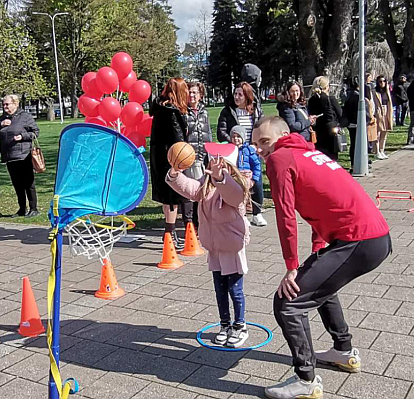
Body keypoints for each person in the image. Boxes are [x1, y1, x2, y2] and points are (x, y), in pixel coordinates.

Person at [251, 116, 391, 399]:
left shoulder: (280, 159)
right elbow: (322, 204)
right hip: (375, 238)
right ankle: (343, 351)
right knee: (322, 285)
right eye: (255, 144)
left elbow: (285, 216)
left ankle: (306, 380)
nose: (259, 149)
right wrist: (317, 251)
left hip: (358, 239)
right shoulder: (309, 153)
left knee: (288, 302)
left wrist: (291, 267)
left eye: (264, 142)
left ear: (282, 135)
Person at [166, 143, 251, 348]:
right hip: (213, 246)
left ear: (229, 165)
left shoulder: (238, 184)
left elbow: (234, 195)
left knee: (235, 290)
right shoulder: (206, 184)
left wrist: (221, 178)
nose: (213, 164)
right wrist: (175, 174)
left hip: (232, 246)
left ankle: (240, 326)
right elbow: (190, 189)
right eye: (211, 160)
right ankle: (225, 325)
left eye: (219, 161)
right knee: (220, 290)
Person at [149, 77, 189, 249]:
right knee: (172, 198)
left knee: (167, 199)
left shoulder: (159, 109)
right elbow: (178, 139)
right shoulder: (171, 112)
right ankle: (170, 234)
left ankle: (168, 232)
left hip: (158, 156)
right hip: (170, 158)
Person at [0, 95, 40, 217]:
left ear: (15, 104)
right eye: (3, 104)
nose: (5, 107)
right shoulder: (2, 119)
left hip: (24, 154)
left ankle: (33, 208)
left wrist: (22, 137)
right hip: (9, 156)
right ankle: (21, 209)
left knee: (28, 183)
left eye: (7, 104)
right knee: (17, 184)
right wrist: (0, 125)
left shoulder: (25, 117)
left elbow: (35, 132)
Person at [182, 81, 211, 230]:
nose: (192, 95)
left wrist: (210, 151)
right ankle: (189, 223)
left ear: (200, 95)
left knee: (201, 189)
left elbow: (208, 133)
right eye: (189, 92)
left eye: (195, 92)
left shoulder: (203, 111)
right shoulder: (183, 111)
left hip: (202, 155)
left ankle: (199, 222)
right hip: (189, 156)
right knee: (189, 191)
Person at [230, 126, 265, 227]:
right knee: (240, 197)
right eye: (234, 136)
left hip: (249, 176)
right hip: (236, 177)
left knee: (258, 189)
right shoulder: (230, 150)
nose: (236, 139)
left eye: (238, 136)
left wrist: (254, 178)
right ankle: (242, 216)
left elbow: (256, 165)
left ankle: (257, 214)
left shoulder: (249, 149)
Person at [307, 76, 343, 161]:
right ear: (327, 87)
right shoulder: (330, 99)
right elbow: (340, 113)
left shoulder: (312, 100)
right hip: (330, 129)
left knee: (321, 155)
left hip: (318, 130)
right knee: (332, 156)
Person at [342, 78, 373, 170]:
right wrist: (367, 119)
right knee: (359, 143)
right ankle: (358, 162)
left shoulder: (349, 95)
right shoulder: (357, 96)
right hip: (357, 123)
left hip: (351, 123)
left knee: (354, 143)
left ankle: (355, 162)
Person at [371, 76, 394, 159]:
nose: (382, 83)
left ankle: (381, 150)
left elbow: (389, 102)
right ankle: (376, 151)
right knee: (377, 133)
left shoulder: (387, 91)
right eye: (380, 81)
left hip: (386, 111)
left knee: (385, 133)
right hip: (378, 112)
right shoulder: (374, 91)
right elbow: (372, 103)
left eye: (384, 81)